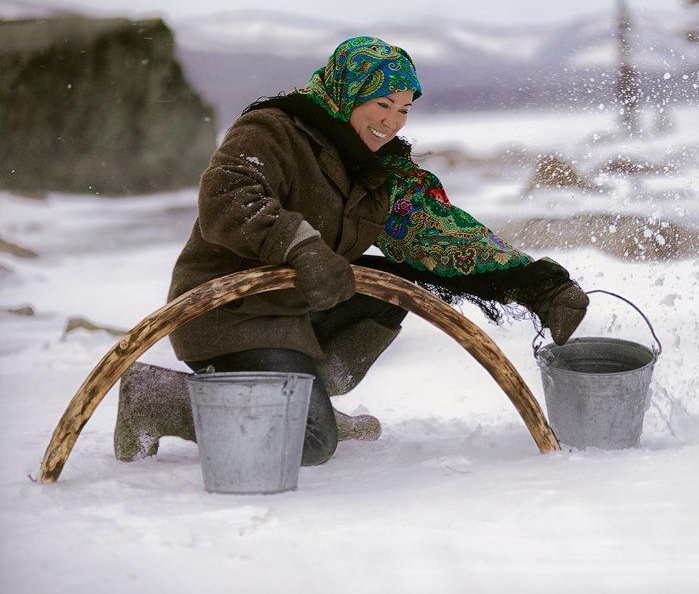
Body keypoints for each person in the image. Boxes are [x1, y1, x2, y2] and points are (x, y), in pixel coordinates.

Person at [114, 36, 588, 467]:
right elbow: (227, 198)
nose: (391, 121)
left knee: (393, 287)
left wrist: (538, 286)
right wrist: (300, 245)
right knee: (311, 444)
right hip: (232, 313)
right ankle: (160, 397)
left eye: (403, 110)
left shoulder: (378, 171)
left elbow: (442, 237)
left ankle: (307, 399)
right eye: (382, 103)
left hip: (297, 309)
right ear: (348, 93)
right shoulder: (273, 131)